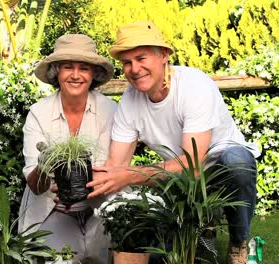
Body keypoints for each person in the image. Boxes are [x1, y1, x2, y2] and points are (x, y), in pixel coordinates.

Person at [86, 21, 259, 264]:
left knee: (238, 160)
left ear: (164, 55)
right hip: (178, 182)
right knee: (160, 256)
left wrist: (130, 175)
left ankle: (238, 241)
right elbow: (116, 166)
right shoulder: (130, 100)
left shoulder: (195, 86)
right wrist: (80, 186)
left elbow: (193, 165)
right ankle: (201, 221)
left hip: (217, 168)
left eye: (141, 58)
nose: (134, 69)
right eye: (127, 62)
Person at [18, 34, 118, 263]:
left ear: (93, 74)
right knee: (60, 258)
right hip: (53, 210)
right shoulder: (39, 113)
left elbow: (108, 168)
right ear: (56, 72)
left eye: (84, 68)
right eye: (67, 67)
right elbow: (34, 185)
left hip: (97, 208)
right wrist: (45, 163)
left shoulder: (109, 110)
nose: (75, 75)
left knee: (104, 254)